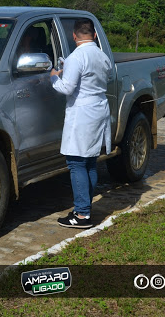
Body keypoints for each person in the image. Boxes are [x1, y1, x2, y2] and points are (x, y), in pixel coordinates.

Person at [50, 18, 112, 228]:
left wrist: (53, 78)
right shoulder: (102, 55)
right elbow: (106, 77)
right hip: (98, 109)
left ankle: (82, 214)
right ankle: (85, 208)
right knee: (90, 162)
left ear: (74, 36)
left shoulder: (76, 56)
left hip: (82, 112)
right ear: (94, 35)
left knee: (76, 162)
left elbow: (67, 88)